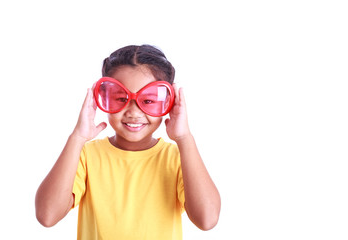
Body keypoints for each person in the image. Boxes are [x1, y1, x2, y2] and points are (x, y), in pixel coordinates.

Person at [35, 44, 221, 239]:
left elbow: (207, 220)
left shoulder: (177, 158)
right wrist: (77, 138)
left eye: (148, 100)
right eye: (120, 98)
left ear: (169, 102)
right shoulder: (86, 155)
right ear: (103, 97)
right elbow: (47, 216)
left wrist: (184, 138)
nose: (133, 112)